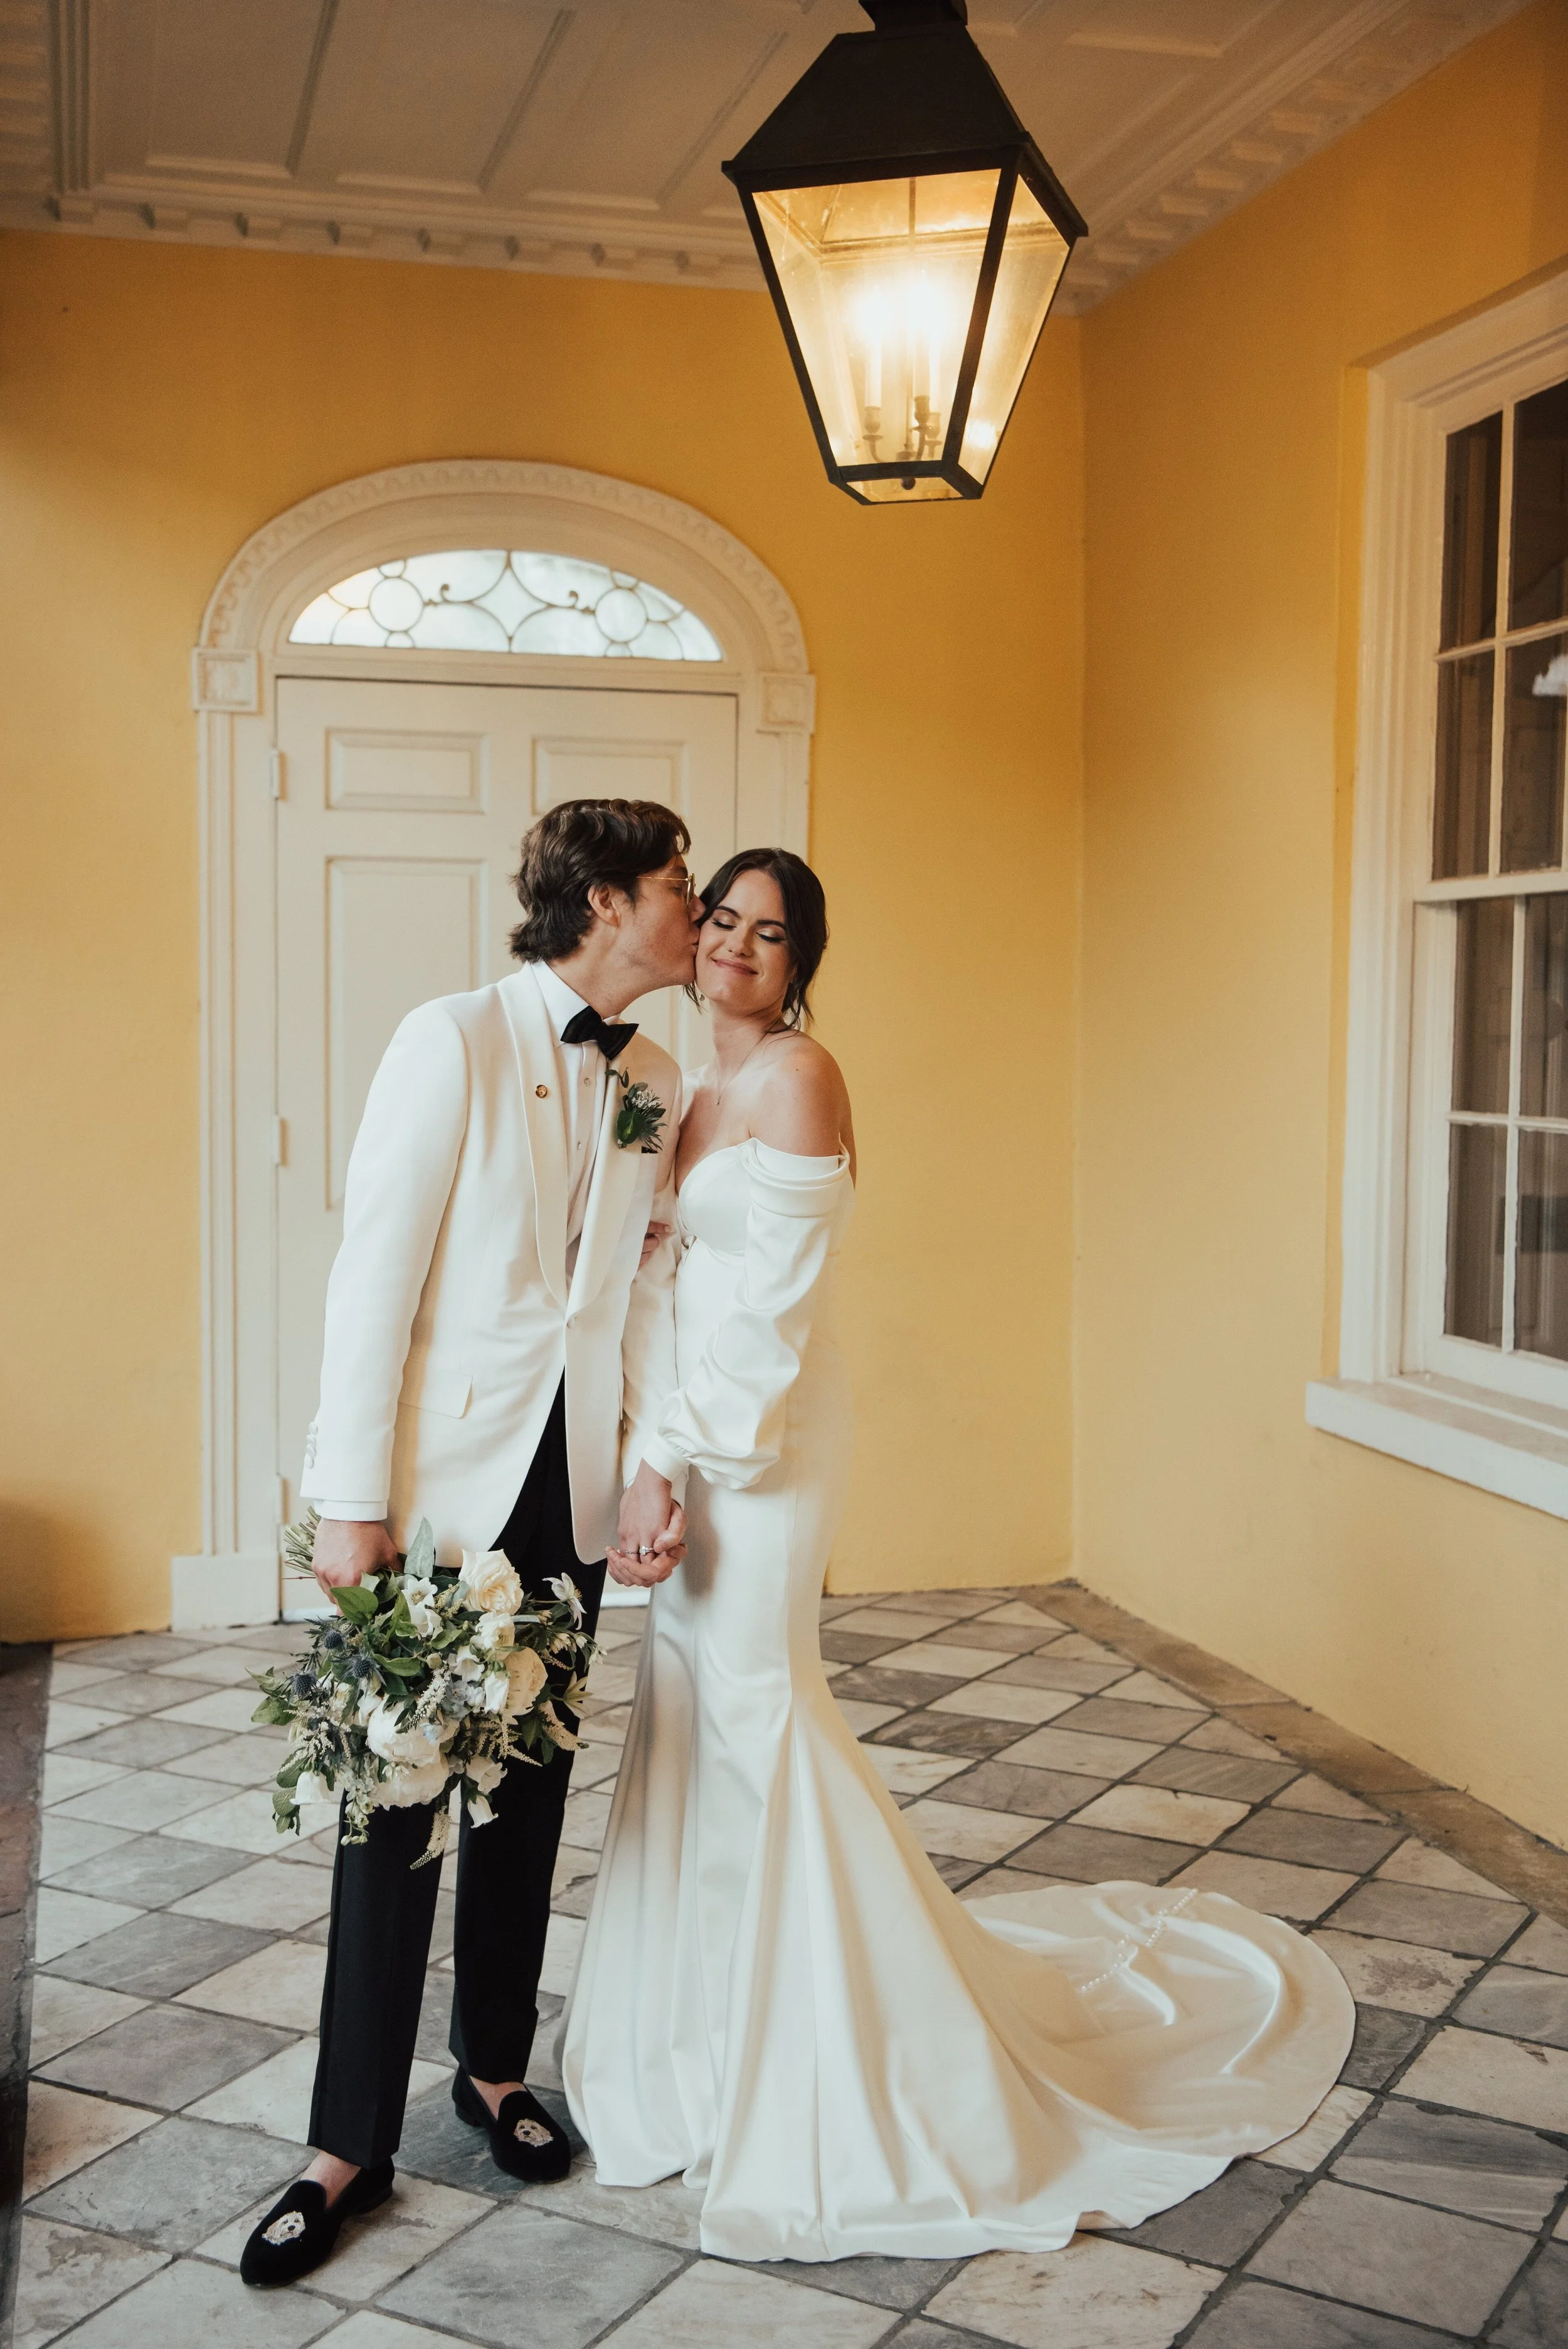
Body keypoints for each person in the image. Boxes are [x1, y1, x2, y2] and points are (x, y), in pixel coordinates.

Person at [562, 846, 1355, 2264]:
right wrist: (635, 1457)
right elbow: (657, 1288)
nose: (739, 946)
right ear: (692, 944)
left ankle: (845, 2074)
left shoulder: (801, 1081)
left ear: (803, 964)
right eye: (724, 921)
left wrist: (669, 1467)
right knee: (690, 1717)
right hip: (678, 1448)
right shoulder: (675, 1090)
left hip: (764, 1440)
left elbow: (766, 1318)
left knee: (754, 1710)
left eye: (773, 932)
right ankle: (703, 2045)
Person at [243, 798, 694, 2288]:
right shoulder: (449, 1040)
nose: (693, 918)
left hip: (561, 1495)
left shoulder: (656, 1074)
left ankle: (493, 2073)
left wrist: (636, 1467)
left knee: (527, 1798)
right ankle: (342, 2145)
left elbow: (624, 1301)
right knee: (394, 1809)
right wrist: (348, 1501)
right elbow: (370, 1277)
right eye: (678, 892)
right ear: (607, 902)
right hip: (431, 1498)